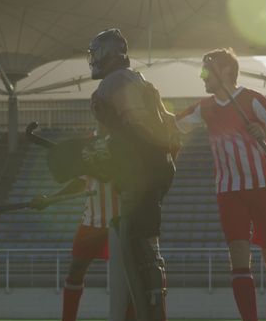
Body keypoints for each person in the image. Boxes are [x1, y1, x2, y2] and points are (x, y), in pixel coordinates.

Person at [176, 48, 266, 321]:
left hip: (264, 188)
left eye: (208, 70)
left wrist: (265, 131)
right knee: (239, 258)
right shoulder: (204, 107)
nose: (203, 76)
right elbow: (172, 124)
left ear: (226, 70)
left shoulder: (252, 99)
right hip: (229, 191)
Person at [87, 28, 176, 321]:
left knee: (137, 259)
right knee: (142, 255)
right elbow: (168, 130)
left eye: (95, 53)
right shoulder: (141, 81)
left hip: (138, 180)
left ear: (106, 54)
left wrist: (99, 154)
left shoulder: (113, 83)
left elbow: (133, 131)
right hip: (153, 175)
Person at [32, 170, 135, 321]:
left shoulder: (129, 148)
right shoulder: (91, 148)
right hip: (91, 222)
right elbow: (80, 181)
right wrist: (51, 199)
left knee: (130, 276)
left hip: (122, 221)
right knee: (75, 270)